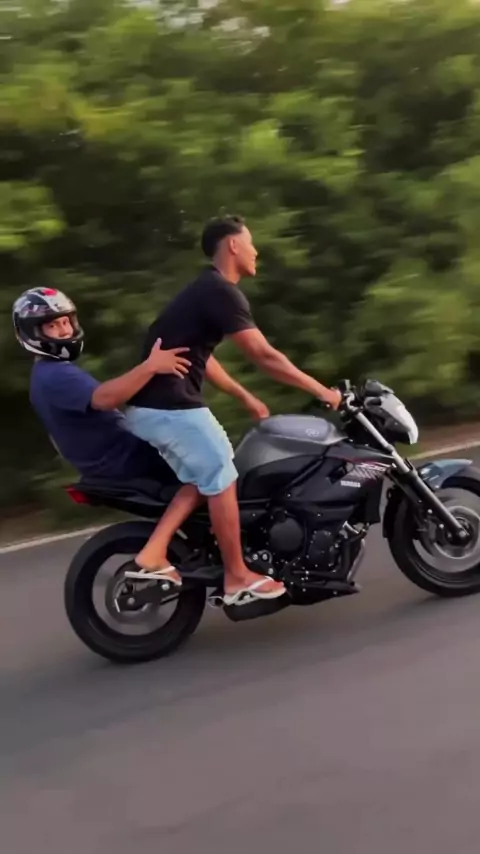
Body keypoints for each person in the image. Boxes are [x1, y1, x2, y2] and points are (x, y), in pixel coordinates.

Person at [124, 215, 342, 606]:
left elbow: (201, 357)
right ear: (233, 246)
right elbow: (264, 355)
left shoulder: (205, 290)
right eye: (251, 242)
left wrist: (244, 395)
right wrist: (323, 391)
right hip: (169, 408)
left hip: (155, 408)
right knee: (223, 472)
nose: (256, 251)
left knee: (205, 476)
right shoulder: (221, 291)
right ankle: (237, 576)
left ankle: (155, 550)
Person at [13, 287, 270, 488]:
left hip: (118, 457)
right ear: (31, 333)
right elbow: (104, 398)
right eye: (52, 325)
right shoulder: (55, 373)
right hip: (127, 460)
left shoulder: (44, 375)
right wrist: (151, 367)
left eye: (65, 322)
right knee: (216, 470)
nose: (63, 331)